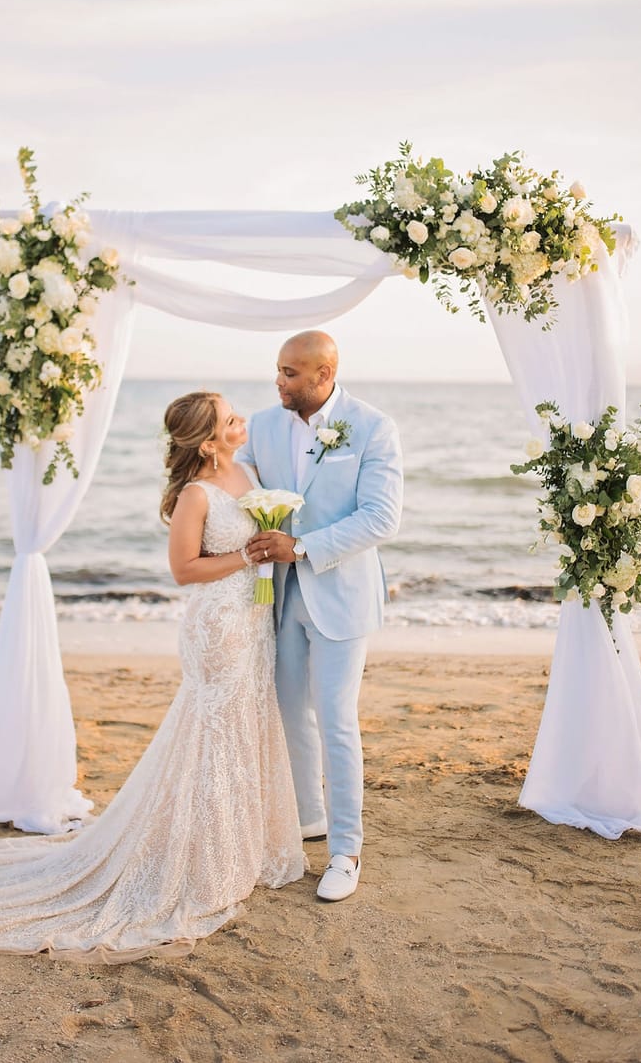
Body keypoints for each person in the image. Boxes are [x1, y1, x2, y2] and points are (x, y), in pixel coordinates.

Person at [0, 392, 304, 962]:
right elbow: (183, 570)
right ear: (206, 441)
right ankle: (202, 860)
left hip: (253, 623)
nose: (241, 421)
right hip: (218, 626)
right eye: (230, 419)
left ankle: (234, 846)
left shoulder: (247, 471)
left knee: (244, 729)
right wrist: (249, 559)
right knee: (213, 735)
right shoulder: (195, 495)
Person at [241, 331, 403, 902]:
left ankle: (345, 851)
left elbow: (382, 519)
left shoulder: (373, 427)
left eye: (290, 374)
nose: (279, 383)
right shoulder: (261, 426)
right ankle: (309, 816)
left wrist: (302, 548)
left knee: (335, 717)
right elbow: (232, 484)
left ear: (323, 374)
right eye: (278, 372)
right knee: (289, 710)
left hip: (342, 595)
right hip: (280, 597)